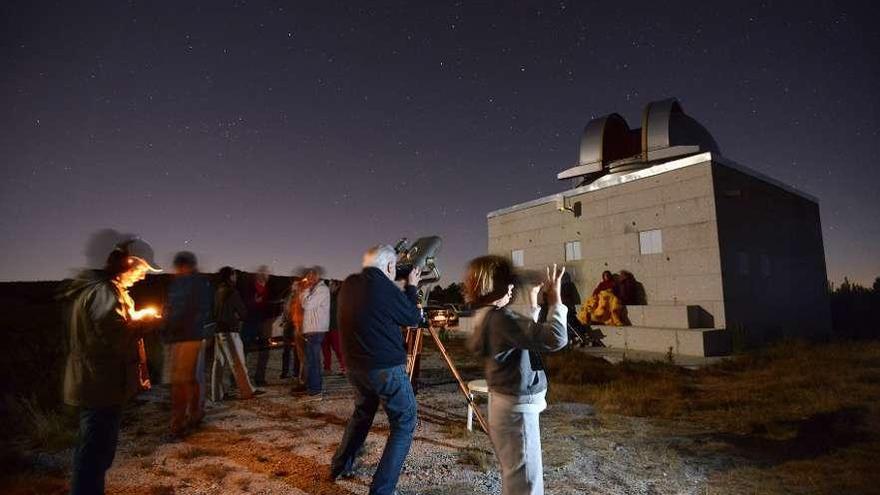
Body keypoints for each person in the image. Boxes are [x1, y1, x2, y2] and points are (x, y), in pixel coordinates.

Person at [61, 239, 161, 495]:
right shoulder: (105, 292)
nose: (142, 277)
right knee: (94, 454)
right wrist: (146, 323)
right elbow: (115, 336)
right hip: (99, 383)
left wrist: (135, 319)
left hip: (100, 382)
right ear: (128, 263)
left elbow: (108, 329)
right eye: (141, 270)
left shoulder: (106, 289)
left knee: (97, 452)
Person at [465, 257, 568, 495]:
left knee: (517, 474)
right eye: (508, 283)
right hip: (517, 411)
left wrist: (533, 301)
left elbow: (521, 338)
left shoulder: (487, 316)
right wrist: (555, 300)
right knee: (526, 483)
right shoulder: (501, 319)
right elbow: (556, 338)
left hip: (505, 404)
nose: (512, 288)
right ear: (493, 286)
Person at [330, 245, 422, 495]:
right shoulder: (385, 288)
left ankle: (339, 466)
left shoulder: (349, 284)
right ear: (390, 266)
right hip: (384, 369)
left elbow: (374, 310)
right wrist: (412, 287)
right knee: (404, 422)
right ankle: (382, 490)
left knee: (362, 413)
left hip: (355, 367)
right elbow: (413, 317)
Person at [162, 251, 213, 437]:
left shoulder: (187, 283)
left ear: (183, 266)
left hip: (185, 335)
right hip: (190, 335)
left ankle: (179, 423)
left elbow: (179, 309)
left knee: (180, 380)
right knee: (190, 378)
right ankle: (195, 413)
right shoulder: (199, 282)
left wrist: (166, 324)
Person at [211, 266, 263, 401]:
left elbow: (216, 311)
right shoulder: (231, 291)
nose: (236, 277)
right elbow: (243, 312)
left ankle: (216, 394)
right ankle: (247, 391)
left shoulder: (218, 291)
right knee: (238, 362)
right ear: (230, 276)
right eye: (234, 274)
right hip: (229, 331)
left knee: (218, 363)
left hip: (218, 330)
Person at [290, 267, 330, 397]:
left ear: (318, 276)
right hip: (312, 329)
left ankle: (315, 388)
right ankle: (312, 385)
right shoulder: (314, 289)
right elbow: (304, 304)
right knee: (311, 359)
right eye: (309, 276)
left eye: (313, 276)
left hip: (316, 329)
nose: (310, 278)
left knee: (313, 360)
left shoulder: (322, 289)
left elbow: (307, 305)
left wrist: (304, 289)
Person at [244, 265, 272, 386]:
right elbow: (244, 305)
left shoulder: (268, 289)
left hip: (264, 323)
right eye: (264, 273)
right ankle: (238, 379)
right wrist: (254, 303)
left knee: (264, 351)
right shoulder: (249, 288)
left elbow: (269, 305)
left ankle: (260, 378)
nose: (266, 275)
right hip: (250, 322)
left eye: (267, 274)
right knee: (244, 350)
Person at [280, 276, 305, 382]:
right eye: (293, 284)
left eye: (296, 284)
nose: (294, 286)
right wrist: (284, 320)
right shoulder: (288, 296)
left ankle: (296, 372)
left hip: (297, 325)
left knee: (296, 350)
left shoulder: (302, 296)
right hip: (288, 325)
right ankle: (285, 372)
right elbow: (285, 309)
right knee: (286, 350)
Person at [322, 279, 346, 374]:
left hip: (335, 326)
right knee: (325, 348)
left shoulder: (341, 295)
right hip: (324, 326)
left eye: (332, 284)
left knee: (338, 348)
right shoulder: (327, 296)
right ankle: (327, 368)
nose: (330, 286)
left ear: (337, 285)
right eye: (330, 284)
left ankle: (344, 367)